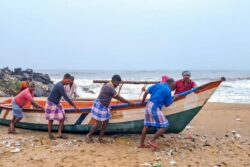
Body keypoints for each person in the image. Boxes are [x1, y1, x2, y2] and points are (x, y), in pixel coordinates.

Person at [86, 75, 134, 143]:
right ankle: (89, 135)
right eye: (117, 84)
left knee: (105, 122)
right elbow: (118, 97)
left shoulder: (107, 84)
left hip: (104, 106)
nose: (117, 86)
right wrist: (129, 102)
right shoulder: (109, 87)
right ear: (114, 81)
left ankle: (100, 138)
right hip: (100, 105)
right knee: (98, 123)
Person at [139, 78, 176, 149]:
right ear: (171, 84)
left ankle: (141, 144)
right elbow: (167, 104)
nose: (173, 88)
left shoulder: (158, 85)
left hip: (148, 105)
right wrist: (174, 98)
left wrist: (142, 102)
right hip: (155, 107)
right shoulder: (168, 91)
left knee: (146, 125)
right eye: (173, 86)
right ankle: (151, 140)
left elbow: (146, 92)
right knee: (165, 126)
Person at [45, 73, 79, 140]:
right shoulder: (60, 86)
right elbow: (66, 97)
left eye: (70, 82)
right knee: (51, 120)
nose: (69, 83)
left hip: (57, 103)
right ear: (65, 78)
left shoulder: (62, 85)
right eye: (68, 81)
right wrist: (75, 106)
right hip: (51, 103)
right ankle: (49, 135)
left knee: (62, 117)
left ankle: (59, 133)